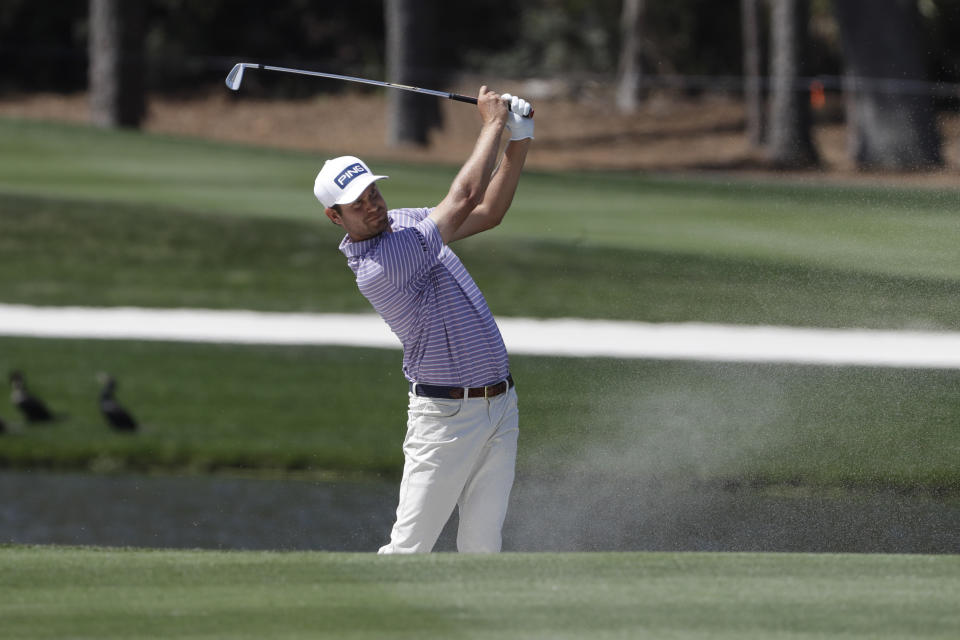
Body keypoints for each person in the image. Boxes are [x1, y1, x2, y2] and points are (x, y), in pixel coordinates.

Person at [313, 86, 533, 553]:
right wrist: (493, 123)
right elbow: (465, 193)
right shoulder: (381, 263)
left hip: (500, 406)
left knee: (483, 547)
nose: (373, 205)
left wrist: (520, 136)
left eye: (373, 192)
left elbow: (488, 212)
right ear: (336, 217)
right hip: (446, 417)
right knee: (409, 550)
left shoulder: (406, 222)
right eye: (358, 204)